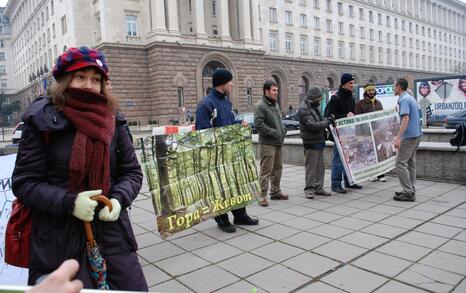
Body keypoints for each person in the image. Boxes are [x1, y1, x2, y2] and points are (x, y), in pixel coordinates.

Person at [12, 47, 148, 290]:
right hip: (57, 241)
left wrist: (118, 199)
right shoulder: (42, 119)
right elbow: (24, 182)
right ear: (65, 80)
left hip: (112, 237)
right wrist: (70, 202)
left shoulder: (113, 119)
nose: (89, 85)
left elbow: (132, 172)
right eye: (81, 77)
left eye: (96, 79)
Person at [195, 68, 259, 233]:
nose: (231, 84)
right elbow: (203, 133)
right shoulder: (206, 104)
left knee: (236, 184)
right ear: (222, 82)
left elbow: (229, 123)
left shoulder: (226, 102)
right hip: (216, 156)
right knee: (219, 188)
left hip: (232, 153)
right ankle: (222, 219)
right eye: (229, 81)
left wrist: (239, 125)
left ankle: (240, 215)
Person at [325, 73, 363, 193]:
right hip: (339, 135)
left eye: (353, 83)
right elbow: (328, 116)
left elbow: (352, 114)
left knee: (350, 158)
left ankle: (349, 182)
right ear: (344, 84)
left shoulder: (351, 97)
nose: (353, 85)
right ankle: (335, 184)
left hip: (349, 133)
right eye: (350, 83)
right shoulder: (335, 98)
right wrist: (344, 116)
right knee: (339, 160)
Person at [254, 80, 288, 207]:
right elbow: (258, 124)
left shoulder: (275, 105)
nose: (276, 93)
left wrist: (283, 130)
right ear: (266, 91)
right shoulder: (260, 105)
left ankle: (275, 191)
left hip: (278, 142)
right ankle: (261, 196)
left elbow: (279, 121)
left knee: (278, 168)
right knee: (266, 170)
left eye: (277, 90)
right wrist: (274, 132)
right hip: (267, 143)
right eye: (274, 90)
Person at [298, 87, 335, 199]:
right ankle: (309, 189)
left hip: (319, 140)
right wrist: (327, 121)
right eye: (318, 99)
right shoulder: (304, 108)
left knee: (320, 167)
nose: (320, 101)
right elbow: (312, 125)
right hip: (311, 142)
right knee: (311, 168)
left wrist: (327, 120)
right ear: (312, 98)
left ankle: (319, 188)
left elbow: (320, 119)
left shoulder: (313, 107)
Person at [393, 78, 422, 202]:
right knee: (410, 163)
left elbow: (405, 119)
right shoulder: (410, 97)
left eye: (394, 86)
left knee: (400, 163)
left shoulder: (404, 99)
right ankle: (410, 188)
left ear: (399, 87)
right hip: (417, 134)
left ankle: (408, 191)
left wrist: (398, 137)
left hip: (409, 137)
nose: (393, 89)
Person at [355, 83, 386, 182]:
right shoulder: (360, 104)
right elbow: (358, 121)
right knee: (369, 153)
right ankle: (371, 174)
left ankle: (381, 174)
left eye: (372, 90)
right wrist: (360, 135)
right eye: (369, 90)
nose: (371, 92)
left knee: (379, 152)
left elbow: (382, 118)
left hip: (378, 132)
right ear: (365, 92)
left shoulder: (378, 103)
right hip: (366, 133)